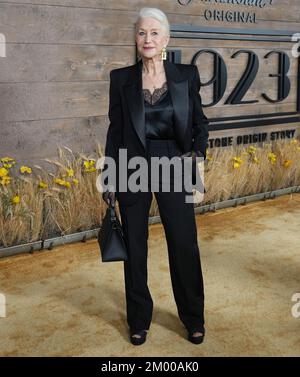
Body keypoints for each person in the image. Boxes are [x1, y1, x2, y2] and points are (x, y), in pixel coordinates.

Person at [102, 7, 209, 346]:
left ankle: (193, 318)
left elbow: (199, 124)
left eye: (154, 33)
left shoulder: (186, 75)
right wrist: (110, 177)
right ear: (135, 39)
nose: (147, 39)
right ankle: (138, 320)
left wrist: (197, 158)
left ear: (166, 38)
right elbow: (116, 130)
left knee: (183, 244)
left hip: (174, 164)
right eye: (141, 33)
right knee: (135, 246)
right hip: (133, 165)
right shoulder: (121, 79)